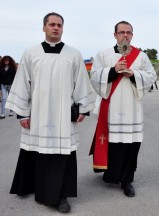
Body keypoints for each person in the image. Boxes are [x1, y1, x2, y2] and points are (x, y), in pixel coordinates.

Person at [5, 12, 95, 213]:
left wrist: (82, 108)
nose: (56, 28)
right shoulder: (31, 53)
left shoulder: (73, 54)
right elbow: (22, 84)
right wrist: (23, 114)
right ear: (44, 27)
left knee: (62, 154)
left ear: (63, 28)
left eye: (59, 25)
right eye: (52, 24)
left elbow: (81, 81)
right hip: (38, 113)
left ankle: (61, 196)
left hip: (64, 115)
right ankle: (38, 189)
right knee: (38, 152)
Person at [89, 21, 157, 197]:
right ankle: (110, 174)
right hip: (111, 108)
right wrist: (112, 71)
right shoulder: (103, 55)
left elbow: (151, 76)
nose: (125, 35)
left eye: (128, 32)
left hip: (132, 110)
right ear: (115, 35)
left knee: (131, 145)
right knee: (113, 144)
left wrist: (134, 74)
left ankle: (127, 180)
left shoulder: (141, 56)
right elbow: (94, 76)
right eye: (121, 32)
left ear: (132, 35)